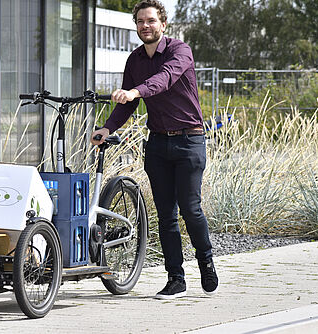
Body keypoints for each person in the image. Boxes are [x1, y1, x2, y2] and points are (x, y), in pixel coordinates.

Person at [91, 0, 218, 300]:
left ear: (163, 24)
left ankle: (206, 260)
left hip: (190, 141)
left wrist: (136, 90)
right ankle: (176, 278)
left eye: (150, 21)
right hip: (158, 143)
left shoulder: (179, 51)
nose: (145, 26)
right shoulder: (135, 60)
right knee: (166, 215)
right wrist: (108, 128)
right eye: (140, 22)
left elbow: (163, 80)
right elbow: (128, 104)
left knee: (190, 207)